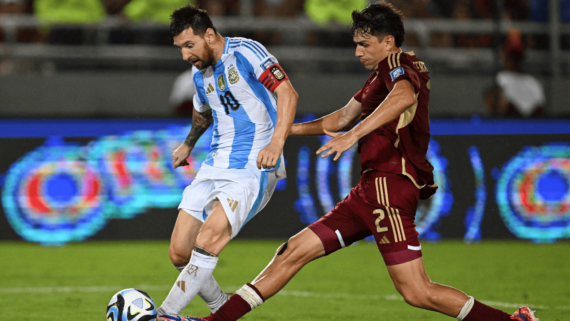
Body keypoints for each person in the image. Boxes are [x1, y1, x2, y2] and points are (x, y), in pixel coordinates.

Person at [169, 2, 538, 321]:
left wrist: (354, 136)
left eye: (364, 44)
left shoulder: (402, 63)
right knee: (292, 252)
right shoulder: (378, 77)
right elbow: (339, 119)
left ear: (388, 41)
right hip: (368, 189)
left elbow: (404, 97)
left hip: (391, 185)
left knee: (417, 292)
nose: (357, 52)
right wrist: (281, 133)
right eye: (355, 45)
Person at [156, 5, 298, 318]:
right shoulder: (198, 72)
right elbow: (203, 111)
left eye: (189, 46)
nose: (185, 56)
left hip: (254, 162)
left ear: (209, 35)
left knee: (208, 239)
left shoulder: (246, 51)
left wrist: (277, 142)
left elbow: (288, 93)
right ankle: (220, 306)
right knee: (180, 252)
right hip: (216, 162)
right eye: (180, 49)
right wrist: (188, 145)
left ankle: (165, 315)